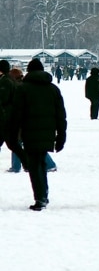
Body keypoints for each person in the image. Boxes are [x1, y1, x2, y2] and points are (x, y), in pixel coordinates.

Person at [5, 59, 67, 211]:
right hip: (48, 133)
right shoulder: (53, 89)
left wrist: (12, 135)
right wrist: (61, 136)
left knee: (34, 165)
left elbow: (16, 114)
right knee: (41, 162)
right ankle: (43, 195)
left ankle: (40, 198)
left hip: (29, 132)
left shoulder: (23, 89)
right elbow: (61, 115)